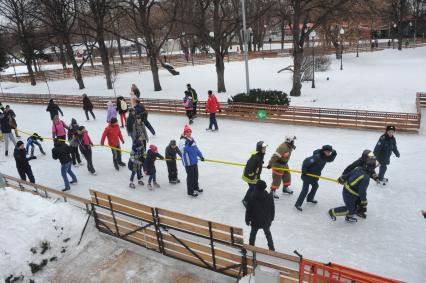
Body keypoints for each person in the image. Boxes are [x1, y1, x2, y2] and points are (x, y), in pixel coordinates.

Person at [329, 157, 377, 223]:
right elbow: (362, 191)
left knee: (354, 206)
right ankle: (332, 212)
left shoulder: (359, 168)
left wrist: (342, 179)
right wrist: (364, 201)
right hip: (350, 194)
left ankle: (349, 217)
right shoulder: (366, 178)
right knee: (350, 209)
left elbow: (349, 174)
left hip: (349, 191)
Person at [338, 150, 379, 219]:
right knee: (359, 195)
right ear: (365, 157)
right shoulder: (357, 163)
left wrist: (375, 177)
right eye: (370, 156)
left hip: (361, 181)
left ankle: (358, 209)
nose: (372, 158)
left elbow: (371, 170)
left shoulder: (369, 163)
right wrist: (342, 178)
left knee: (359, 195)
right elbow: (348, 169)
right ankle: (356, 209)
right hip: (352, 180)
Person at [295, 145, 337, 211]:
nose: (329, 153)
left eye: (330, 152)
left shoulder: (325, 157)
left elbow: (330, 159)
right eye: (328, 152)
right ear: (324, 151)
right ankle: (298, 204)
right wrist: (304, 172)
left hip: (314, 176)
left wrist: (334, 154)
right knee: (305, 190)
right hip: (307, 175)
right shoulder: (317, 157)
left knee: (315, 186)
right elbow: (306, 162)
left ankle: (310, 199)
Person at [245, 180, 275, 251]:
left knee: (253, 234)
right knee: (268, 234)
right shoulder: (269, 196)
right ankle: (271, 248)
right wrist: (271, 218)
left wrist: (247, 219)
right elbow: (272, 209)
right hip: (266, 220)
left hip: (255, 220)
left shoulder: (251, 196)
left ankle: (251, 247)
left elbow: (248, 210)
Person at [179, 125, 204, 197]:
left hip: (194, 161)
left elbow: (196, 149)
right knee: (190, 177)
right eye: (187, 132)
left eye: (190, 131)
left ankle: (196, 187)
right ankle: (190, 191)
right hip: (188, 162)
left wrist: (200, 156)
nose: (189, 133)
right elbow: (182, 150)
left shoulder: (191, 138)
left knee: (196, 175)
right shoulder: (182, 140)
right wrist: (189, 146)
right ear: (185, 132)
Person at [242, 141, 267, 207]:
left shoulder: (260, 155)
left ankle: (253, 199)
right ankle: (245, 200)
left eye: (265, 148)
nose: (265, 150)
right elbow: (248, 170)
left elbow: (258, 162)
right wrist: (253, 176)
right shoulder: (254, 158)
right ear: (259, 149)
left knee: (255, 188)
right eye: (263, 148)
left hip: (255, 175)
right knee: (252, 188)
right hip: (249, 176)